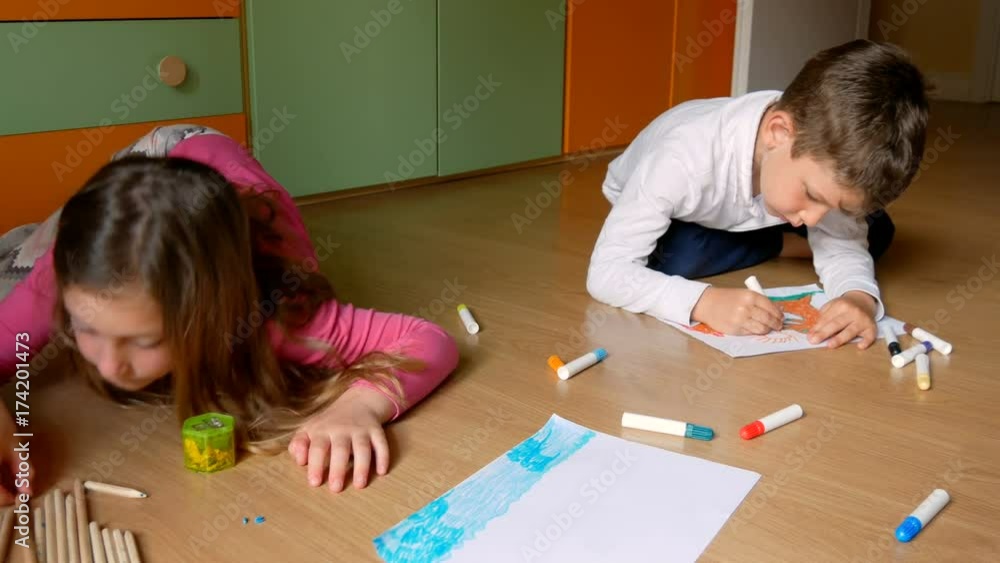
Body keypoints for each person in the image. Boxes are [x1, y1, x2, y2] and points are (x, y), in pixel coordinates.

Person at [0, 125, 459, 503]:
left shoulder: (278, 313)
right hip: (149, 158)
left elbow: (428, 339)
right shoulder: (67, 272)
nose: (108, 366)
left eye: (144, 341)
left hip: (203, 152)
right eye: (85, 328)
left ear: (213, 315)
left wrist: (357, 407)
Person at [586, 40, 929, 348]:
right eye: (812, 194)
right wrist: (703, 302)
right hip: (682, 212)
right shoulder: (681, 162)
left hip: (753, 205)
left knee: (877, 228)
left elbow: (843, 243)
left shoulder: (815, 154)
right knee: (673, 259)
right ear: (777, 133)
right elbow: (607, 273)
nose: (813, 218)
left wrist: (857, 298)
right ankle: (776, 244)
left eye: (828, 206)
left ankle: (783, 238)